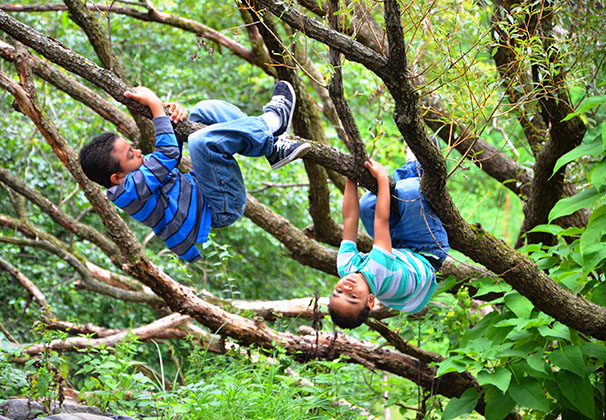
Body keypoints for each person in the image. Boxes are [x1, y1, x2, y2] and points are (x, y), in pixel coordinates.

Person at [79, 81, 310, 262]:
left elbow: (171, 153)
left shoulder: (133, 175)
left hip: (207, 187)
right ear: (117, 177)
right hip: (221, 206)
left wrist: (173, 118)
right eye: (130, 155)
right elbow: (167, 155)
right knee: (200, 141)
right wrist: (155, 106)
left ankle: (272, 146)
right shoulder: (130, 192)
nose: (139, 152)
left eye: (133, 149)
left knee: (203, 111)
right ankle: (271, 122)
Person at [328, 154, 449, 329]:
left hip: (398, 252)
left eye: (338, 292)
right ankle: (420, 164)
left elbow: (349, 218)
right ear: (370, 301)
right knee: (409, 193)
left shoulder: (345, 268)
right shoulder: (379, 272)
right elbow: (380, 220)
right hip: (427, 250)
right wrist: (382, 177)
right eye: (353, 297)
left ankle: (409, 173)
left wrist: (350, 177)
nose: (347, 287)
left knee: (367, 205)